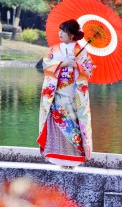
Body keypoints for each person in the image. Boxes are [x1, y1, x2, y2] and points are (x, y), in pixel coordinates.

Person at [37, 19, 95, 168]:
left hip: (73, 93)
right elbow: (45, 65)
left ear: (71, 34)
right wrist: (63, 63)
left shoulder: (81, 50)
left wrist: (76, 64)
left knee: (74, 124)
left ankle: (73, 160)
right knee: (58, 124)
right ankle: (59, 159)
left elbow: (89, 71)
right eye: (60, 30)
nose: (60, 33)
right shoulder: (54, 49)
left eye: (63, 31)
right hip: (57, 93)